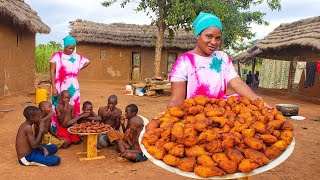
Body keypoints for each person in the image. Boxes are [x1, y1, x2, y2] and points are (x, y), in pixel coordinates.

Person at [168, 12, 268, 107]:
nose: (213, 42)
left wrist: (260, 102)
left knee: (243, 101)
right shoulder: (184, 62)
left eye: (218, 38)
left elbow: (237, 83)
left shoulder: (222, 58)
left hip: (221, 109)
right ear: (198, 35)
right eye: (209, 36)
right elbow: (176, 100)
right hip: (195, 113)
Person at [50, 35, 90, 131]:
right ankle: (57, 129)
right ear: (65, 46)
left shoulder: (77, 57)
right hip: (60, 85)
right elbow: (52, 72)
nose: (71, 50)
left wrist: (77, 69)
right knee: (58, 105)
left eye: (73, 48)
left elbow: (87, 61)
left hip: (73, 86)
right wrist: (54, 87)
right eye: (69, 48)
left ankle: (72, 129)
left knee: (73, 105)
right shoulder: (57, 56)